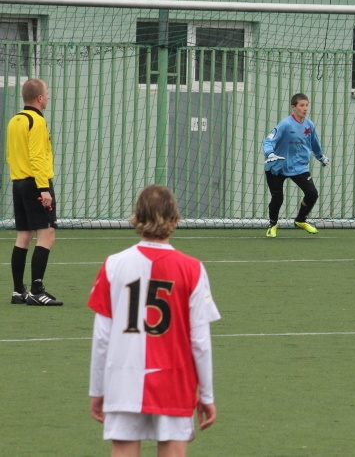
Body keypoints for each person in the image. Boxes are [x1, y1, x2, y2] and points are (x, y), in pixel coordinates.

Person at [88, 185, 221, 456]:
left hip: (123, 379)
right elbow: (200, 342)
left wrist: (99, 389)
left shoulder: (113, 264)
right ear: (175, 219)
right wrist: (206, 395)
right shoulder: (192, 268)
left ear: (136, 216)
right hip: (174, 381)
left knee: (123, 450)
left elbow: (102, 336)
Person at [7, 78, 61, 306]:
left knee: (23, 236)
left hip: (18, 183)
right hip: (35, 184)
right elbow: (37, 157)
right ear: (39, 98)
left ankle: (19, 291)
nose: (48, 97)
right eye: (46, 93)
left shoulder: (14, 120)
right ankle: (37, 291)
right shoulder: (36, 122)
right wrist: (43, 188)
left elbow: (11, 155)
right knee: (47, 234)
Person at [261, 93, 330, 238]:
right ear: (294, 107)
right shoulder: (286, 124)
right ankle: (272, 224)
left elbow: (314, 143)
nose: (305, 108)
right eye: (302, 105)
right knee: (277, 197)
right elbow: (269, 141)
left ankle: (300, 220)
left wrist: (320, 157)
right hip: (277, 166)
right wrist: (270, 154)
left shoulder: (309, 125)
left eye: (306, 105)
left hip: (298, 167)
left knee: (312, 194)